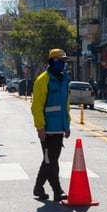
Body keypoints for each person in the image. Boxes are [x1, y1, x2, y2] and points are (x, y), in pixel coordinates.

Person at [31, 48, 71, 201]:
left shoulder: (64, 80)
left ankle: (38, 188)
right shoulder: (43, 80)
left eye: (64, 61)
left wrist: (66, 127)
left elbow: (65, 106)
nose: (62, 63)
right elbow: (37, 106)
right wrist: (40, 128)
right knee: (51, 161)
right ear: (52, 61)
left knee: (49, 160)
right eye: (60, 60)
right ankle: (57, 190)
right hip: (47, 130)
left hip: (59, 129)